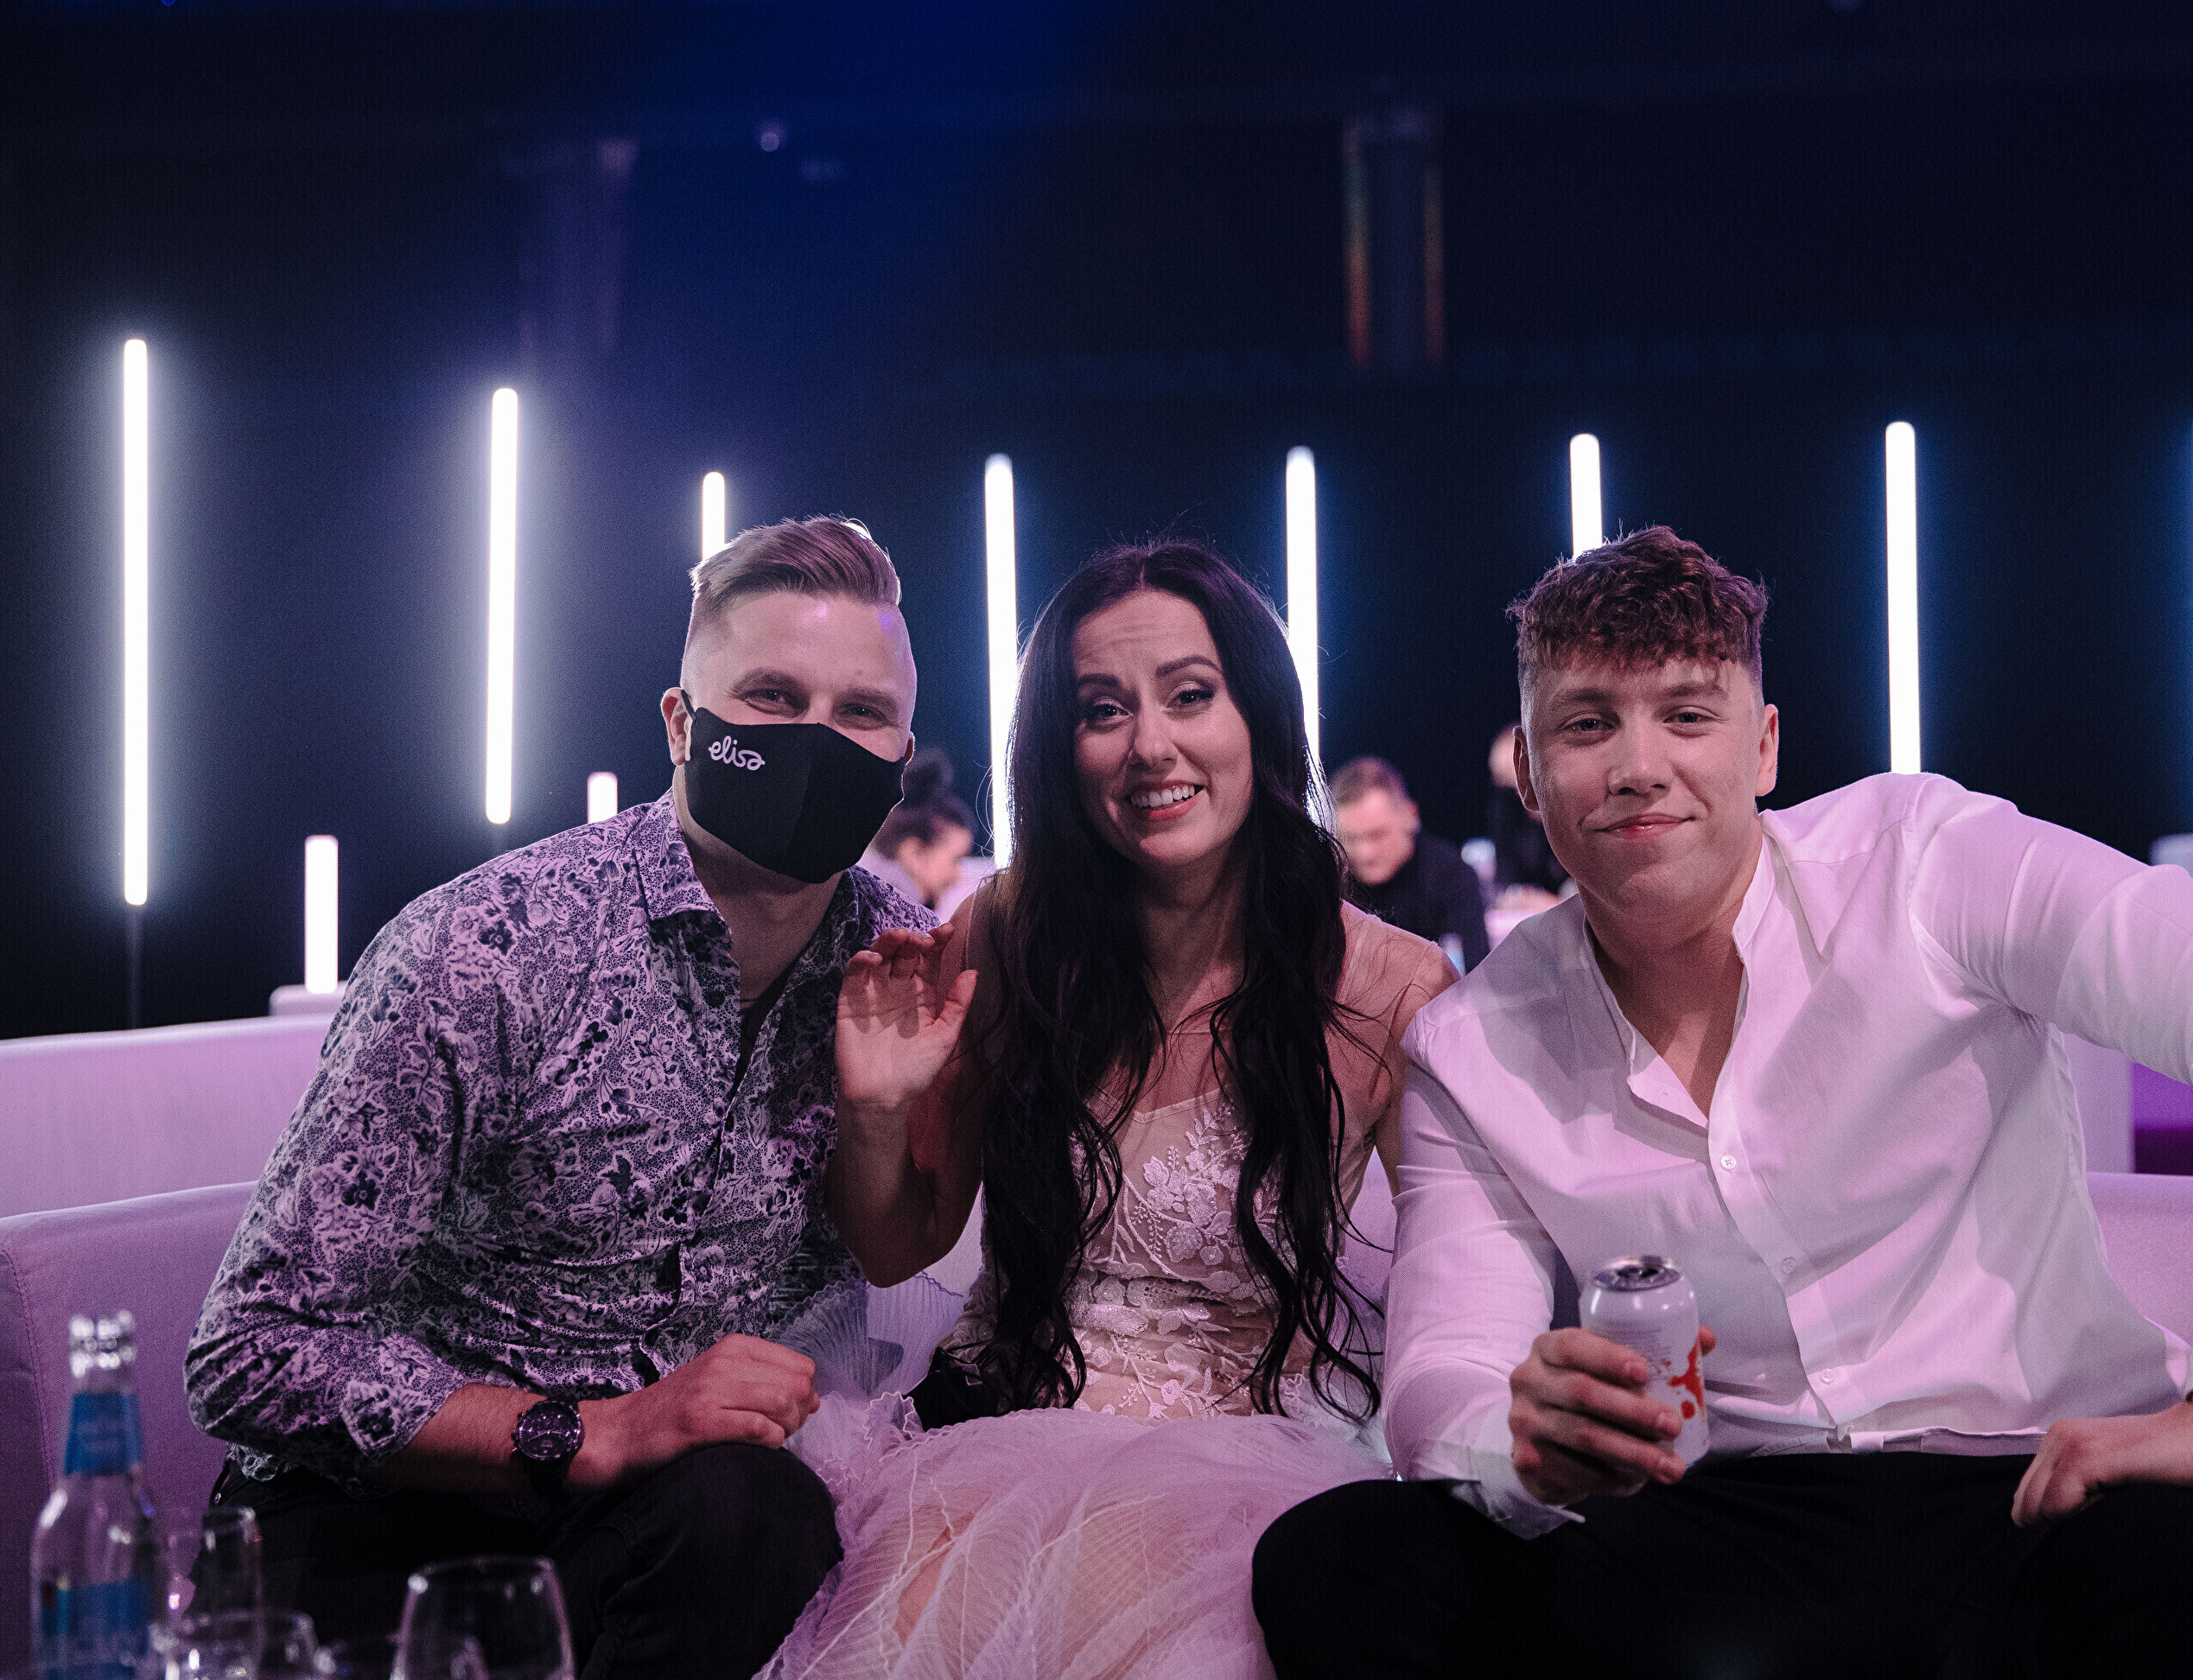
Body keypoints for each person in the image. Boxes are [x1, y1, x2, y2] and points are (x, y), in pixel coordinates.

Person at [1253, 525, 2193, 1679]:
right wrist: (1520, 1445)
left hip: (2031, 1484)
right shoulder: (1471, 1045)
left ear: (1764, 747)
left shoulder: (1923, 862)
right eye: (1589, 724)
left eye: (1687, 715)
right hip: (1714, 1525)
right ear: (1531, 777)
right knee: (1341, 1560)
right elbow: (1447, 1364)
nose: (1640, 765)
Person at [188, 518, 933, 1679]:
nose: (816, 742)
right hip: (391, 1522)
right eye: (773, 698)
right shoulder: (487, 947)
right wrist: (590, 1430)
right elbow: (250, 1351)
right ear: (682, 724)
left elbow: (898, 1253)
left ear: (901, 754)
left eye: (861, 713)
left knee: (767, 1514)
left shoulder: (901, 962)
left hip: (682, 1526)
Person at [766, 540, 1456, 1678]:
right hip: (1000, 1453)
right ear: (1060, 747)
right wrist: (876, 1108)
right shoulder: (1004, 932)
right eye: (1102, 709)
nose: (1149, 746)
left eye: (1190, 694)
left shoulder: (1390, 986)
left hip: (1254, 1480)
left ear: (1259, 714)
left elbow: (1462, 1292)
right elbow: (898, 1246)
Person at [1332, 755, 1492, 972]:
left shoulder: (1453, 876)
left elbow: (1473, 976)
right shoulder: (1331, 883)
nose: (1365, 853)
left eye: (1377, 835)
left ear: (1411, 815)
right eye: (1350, 839)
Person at [859, 746, 980, 913]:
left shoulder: (863, 891)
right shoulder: (896, 914)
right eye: (956, 860)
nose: (959, 877)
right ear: (914, 854)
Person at [1484, 723, 1566, 896]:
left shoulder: (1572, 809)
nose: (1520, 794)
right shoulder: (1508, 810)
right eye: (1511, 786)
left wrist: (1554, 900)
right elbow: (1504, 880)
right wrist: (1515, 895)